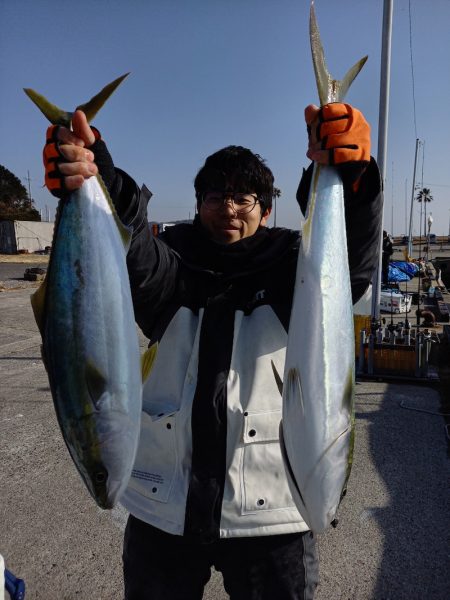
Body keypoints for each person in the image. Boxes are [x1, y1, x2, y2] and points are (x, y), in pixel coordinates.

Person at [43, 101, 382, 599]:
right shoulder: (171, 267)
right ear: (197, 202)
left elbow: (347, 264)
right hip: (164, 506)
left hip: (272, 512)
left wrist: (355, 180)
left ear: (267, 209)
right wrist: (99, 178)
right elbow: (132, 248)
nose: (230, 206)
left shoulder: (296, 269)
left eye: (246, 197)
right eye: (217, 195)